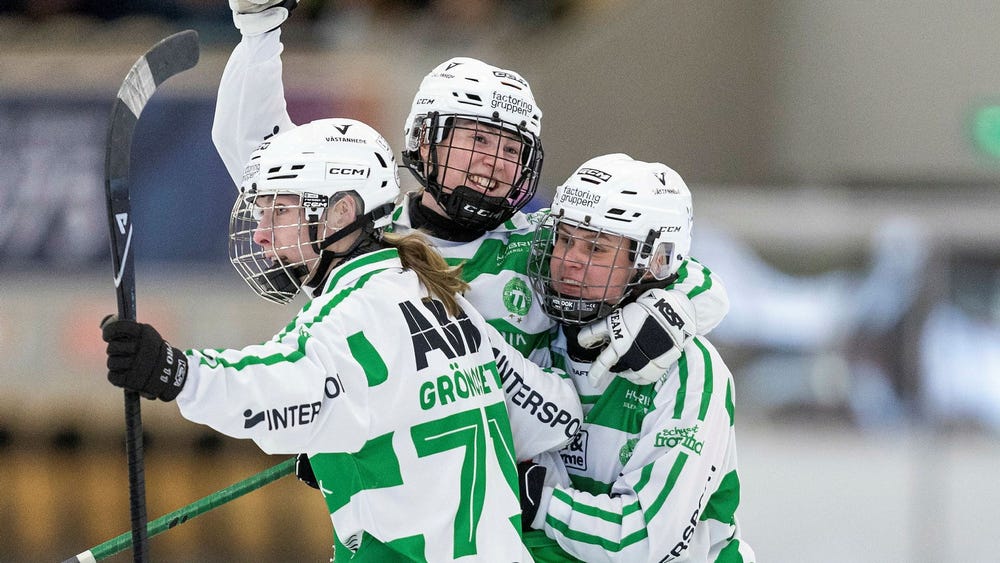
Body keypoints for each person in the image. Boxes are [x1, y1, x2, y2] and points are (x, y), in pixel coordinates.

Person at [100, 118, 583, 561]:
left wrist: (175, 372)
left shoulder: (357, 311)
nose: (264, 236)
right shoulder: (430, 291)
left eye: (281, 210)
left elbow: (279, 388)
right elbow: (552, 420)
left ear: (341, 212)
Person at [213, 1, 731, 394]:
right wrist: (260, 32)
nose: (495, 161)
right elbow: (256, 155)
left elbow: (684, 269)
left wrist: (674, 308)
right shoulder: (362, 238)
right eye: (478, 140)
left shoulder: (543, 245)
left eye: (512, 148)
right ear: (425, 139)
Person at [519, 154, 755, 562]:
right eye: (564, 238)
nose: (569, 259)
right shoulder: (535, 337)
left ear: (654, 261)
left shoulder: (691, 371)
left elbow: (642, 543)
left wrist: (539, 501)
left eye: (596, 247)